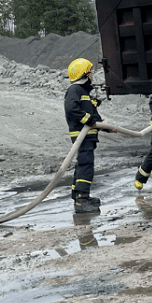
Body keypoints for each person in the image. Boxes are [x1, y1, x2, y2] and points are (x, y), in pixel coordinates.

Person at [64, 58, 114, 214]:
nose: (92, 74)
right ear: (85, 74)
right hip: (81, 136)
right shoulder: (75, 90)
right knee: (86, 166)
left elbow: (93, 116)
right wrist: (90, 121)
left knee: (82, 164)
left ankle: (78, 195)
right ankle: (81, 200)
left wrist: (107, 128)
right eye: (90, 72)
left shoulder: (84, 92)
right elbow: (72, 110)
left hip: (87, 136)